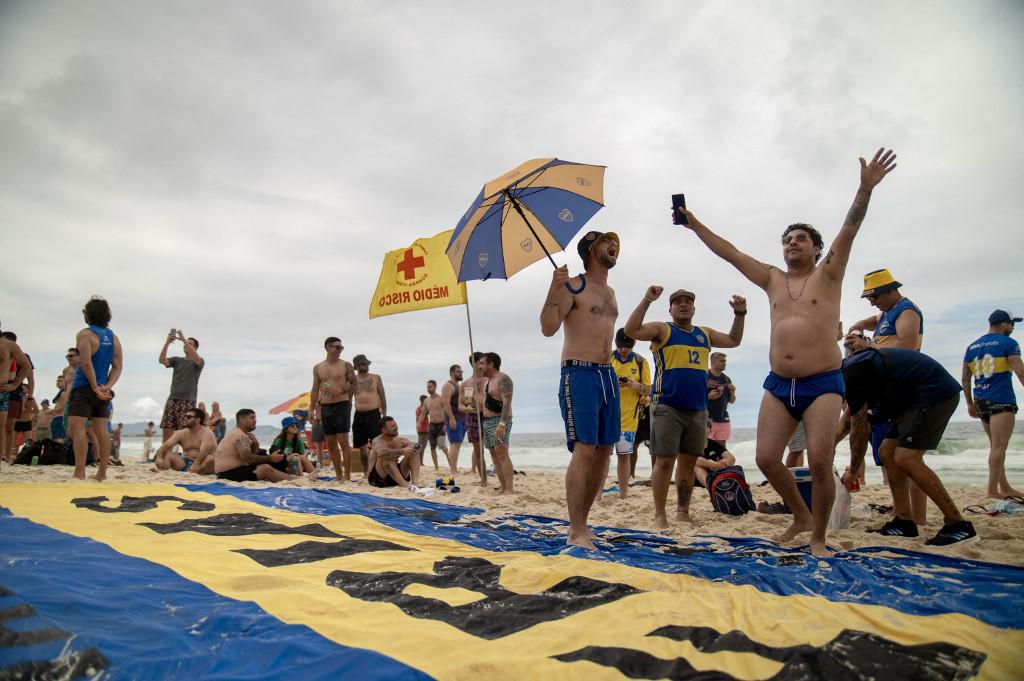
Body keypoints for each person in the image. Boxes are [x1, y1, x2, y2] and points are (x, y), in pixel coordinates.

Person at [679, 147, 897, 557]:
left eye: (801, 239)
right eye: (787, 240)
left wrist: (865, 189)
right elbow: (730, 252)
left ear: (816, 249)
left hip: (822, 382)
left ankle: (818, 536)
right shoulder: (772, 278)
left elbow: (849, 230)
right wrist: (694, 225)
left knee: (819, 460)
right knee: (766, 458)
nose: (792, 243)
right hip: (779, 384)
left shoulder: (828, 273)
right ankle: (800, 515)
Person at [625, 287, 746, 528]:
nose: (683, 305)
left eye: (688, 302)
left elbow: (734, 340)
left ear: (694, 308)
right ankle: (660, 515)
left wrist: (740, 314)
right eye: (677, 302)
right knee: (664, 461)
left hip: (698, 409)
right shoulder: (663, 330)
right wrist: (647, 300)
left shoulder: (704, 333)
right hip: (667, 406)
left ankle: (683, 512)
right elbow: (631, 331)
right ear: (670, 309)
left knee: (689, 462)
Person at [842, 347, 978, 546]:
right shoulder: (849, 370)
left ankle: (958, 524)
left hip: (934, 393)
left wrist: (853, 471)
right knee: (887, 453)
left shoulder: (852, 374)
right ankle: (904, 522)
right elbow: (846, 424)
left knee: (906, 458)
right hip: (911, 402)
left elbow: (859, 430)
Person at [540, 229, 620, 549]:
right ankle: (575, 529)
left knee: (605, 450)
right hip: (579, 372)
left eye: (615, 243)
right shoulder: (574, 285)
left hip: (607, 374)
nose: (614, 246)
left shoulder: (611, 292)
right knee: (585, 449)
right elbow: (548, 328)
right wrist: (554, 287)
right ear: (591, 250)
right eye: (606, 242)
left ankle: (583, 522)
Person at [849, 267, 927, 521]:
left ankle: (919, 517)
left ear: (890, 291)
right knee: (890, 457)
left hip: (908, 390)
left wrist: (869, 345)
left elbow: (907, 346)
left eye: (874, 296)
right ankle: (901, 510)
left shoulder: (906, 311)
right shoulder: (885, 313)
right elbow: (867, 322)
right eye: (868, 298)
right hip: (890, 392)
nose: (872, 302)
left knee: (909, 458)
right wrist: (857, 329)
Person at [962, 309, 1024, 499]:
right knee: (999, 447)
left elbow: (965, 378)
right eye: (1012, 324)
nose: (1012, 328)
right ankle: (992, 490)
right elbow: (1021, 372)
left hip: (981, 399)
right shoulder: (1008, 343)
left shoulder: (972, 346)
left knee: (995, 446)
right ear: (1004, 324)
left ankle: (1004, 487)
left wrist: (969, 403)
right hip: (1001, 398)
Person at [67, 296, 122, 481]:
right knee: (102, 431)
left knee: (78, 430)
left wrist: (93, 386)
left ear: (89, 314)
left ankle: (79, 472)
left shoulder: (85, 334)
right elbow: (118, 367)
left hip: (84, 387)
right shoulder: (113, 337)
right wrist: (107, 387)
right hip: (102, 390)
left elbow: (86, 362)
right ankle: (102, 473)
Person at [607, 328, 652, 498]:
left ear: (633, 344)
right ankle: (597, 494)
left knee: (624, 456)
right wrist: (613, 383)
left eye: (627, 346)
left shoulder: (641, 362)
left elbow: (648, 390)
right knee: (602, 457)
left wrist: (634, 385)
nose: (623, 349)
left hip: (629, 419)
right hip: (607, 417)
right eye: (620, 346)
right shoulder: (607, 358)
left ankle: (623, 493)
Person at [310, 337, 356, 481]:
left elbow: (354, 384)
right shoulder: (318, 367)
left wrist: (343, 390)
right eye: (337, 347)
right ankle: (338, 475)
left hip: (342, 404)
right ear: (328, 348)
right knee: (330, 442)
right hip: (326, 406)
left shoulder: (346, 365)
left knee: (343, 440)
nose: (339, 350)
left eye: (341, 347)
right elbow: (315, 389)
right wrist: (311, 409)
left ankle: (347, 476)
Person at [214, 408, 301, 482]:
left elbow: (251, 457)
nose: (255, 420)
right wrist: (270, 458)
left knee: (266, 463)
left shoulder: (242, 434)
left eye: (255, 418)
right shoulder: (239, 435)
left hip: (232, 472)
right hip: (227, 474)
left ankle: (291, 478)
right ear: (242, 420)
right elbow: (248, 458)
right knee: (265, 469)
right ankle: (294, 480)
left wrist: (255, 445)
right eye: (252, 418)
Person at [478, 352, 514, 495]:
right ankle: (503, 487)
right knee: (494, 454)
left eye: (482, 363)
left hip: (499, 420)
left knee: (502, 453)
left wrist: (502, 423)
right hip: (487, 421)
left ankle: (509, 489)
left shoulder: (503, 379)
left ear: (491, 364)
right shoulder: (487, 382)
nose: (479, 366)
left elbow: (506, 403)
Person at [158, 331, 204, 443]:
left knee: (186, 431)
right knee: (167, 429)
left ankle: (186, 453)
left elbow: (197, 360)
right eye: (185, 343)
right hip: (172, 399)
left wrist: (183, 339)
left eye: (190, 344)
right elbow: (161, 360)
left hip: (187, 400)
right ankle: (166, 452)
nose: (185, 345)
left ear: (195, 348)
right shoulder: (177, 360)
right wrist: (167, 343)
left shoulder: (198, 361)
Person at [351, 353, 386, 476]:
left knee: (377, 445)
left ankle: (377, 470)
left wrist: (384, 416)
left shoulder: (376, 377)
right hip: (359, 415)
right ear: (356, 366)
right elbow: (349, 399)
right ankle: (366, 472)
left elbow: (382, 396)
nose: (365, 365)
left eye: (366, 363)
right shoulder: (353, 380)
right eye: (362, 363)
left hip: (374, 414)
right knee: (361, 448)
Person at [154, 408, 217, 474]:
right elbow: (165, 446)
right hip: (186, 462)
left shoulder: (207, 433)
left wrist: (195, 464)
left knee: (210, 458)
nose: (185, 419)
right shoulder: (181, 433)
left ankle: (193, 472)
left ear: (197, 420)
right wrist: (159, 458)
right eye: (185, 417)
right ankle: (163, 471)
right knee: (167, 454)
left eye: (188, 417)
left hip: (203, 463)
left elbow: (204, 451)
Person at [367, 416, 421, 488]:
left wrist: (414, 447)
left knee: (414, 452)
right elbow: (381, 452)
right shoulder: (377, 441)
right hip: (380, 479)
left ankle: (415, 484)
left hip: (397, 476)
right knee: (386, 457)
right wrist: (402, 451)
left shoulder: (400, 440)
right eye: (392, 426)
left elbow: (416, 445)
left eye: (396, 425)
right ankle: (406, 485)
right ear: (384, 430)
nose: (396, 428)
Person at [459, 352, 487, 487]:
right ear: (474, 364)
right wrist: (467, 408)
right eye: (481, 362)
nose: (483, 364)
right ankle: (484, 480)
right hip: (473, 417)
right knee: (478, 451)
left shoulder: (489, 380)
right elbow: (462, 404)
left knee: (495, 449)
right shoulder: (467, 384)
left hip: (489, 415)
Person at [694, 419, 738, 489]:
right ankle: (710, 487)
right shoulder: (692, 443)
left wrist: (722, 464)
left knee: (730, 465)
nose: (704, 428)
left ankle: (720, 485)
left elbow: (731, 458)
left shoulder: (713, 444)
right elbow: (694, 460)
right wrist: (714, 465)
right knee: (698, 467)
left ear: (710, 430)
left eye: (707, 426)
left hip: (714, 475)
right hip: (696, 478)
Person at [441, 364, 466, 474]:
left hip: (463, 418)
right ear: (452, 373)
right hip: (454, 418)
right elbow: (445, 403)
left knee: (458, 444)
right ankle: (453, 470)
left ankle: (454, 468)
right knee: (455, 444)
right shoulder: (448, 385)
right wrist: (451, 418)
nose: (460, 373)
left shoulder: (459, 386)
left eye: (461, 371)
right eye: (458, 371)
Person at [707, 352, 736, 446]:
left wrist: (732, 391)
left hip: (723, 417)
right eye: (722, 361)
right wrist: (708, 396)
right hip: (706, 418)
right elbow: (694, 395)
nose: (724, 363)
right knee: (705, 447)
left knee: (721, 448)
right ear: (713, 361)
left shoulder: (726, 379)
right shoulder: (705, 375)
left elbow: (732, 401)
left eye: (725, 361)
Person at [423, 380, 449, 470]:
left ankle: (451, 465)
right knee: (432, 447)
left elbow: (447, 412)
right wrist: (419, 423)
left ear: (435, 387)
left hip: (441, 425)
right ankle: (436, 467)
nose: (428, 389)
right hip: (432, 425)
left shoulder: (441, 398)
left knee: (442, 446)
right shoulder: (426, 400)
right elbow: (423, 413)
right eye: (427, 387)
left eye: (430, 387)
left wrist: (446, 425)